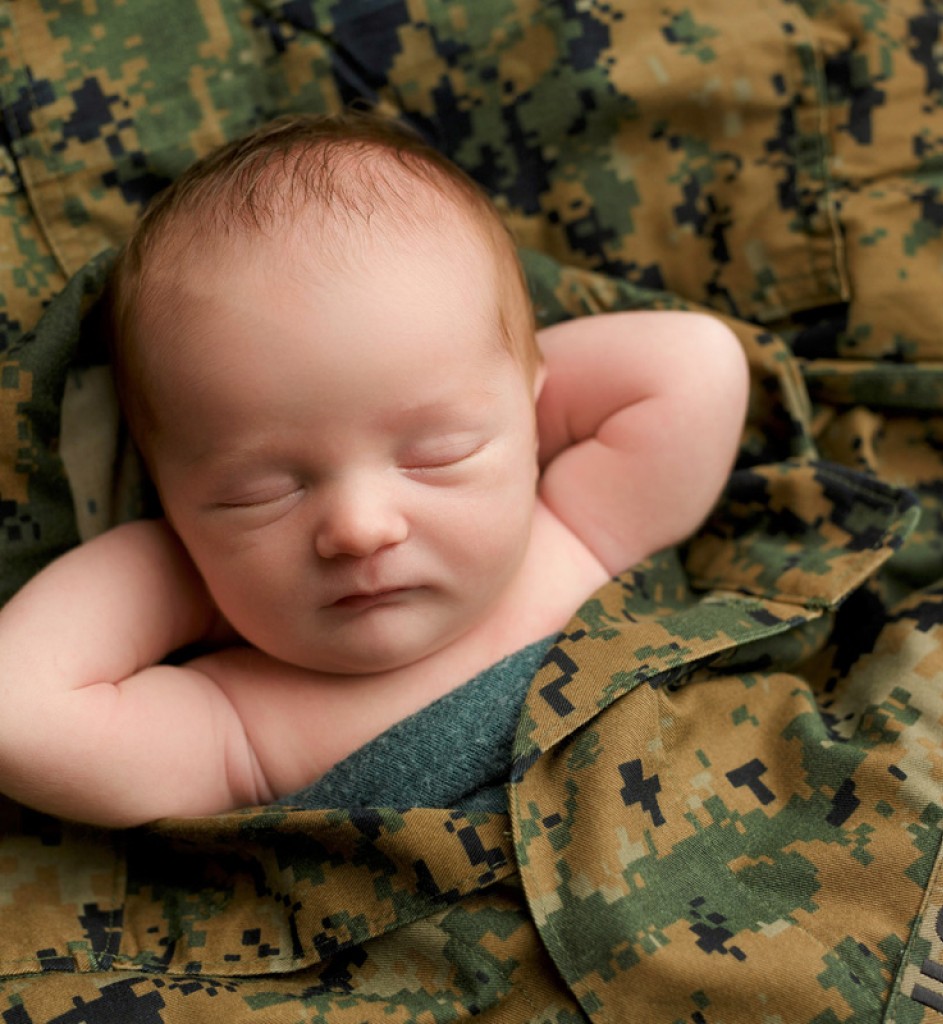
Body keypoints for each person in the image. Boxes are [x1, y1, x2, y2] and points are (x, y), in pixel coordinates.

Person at [0, 112, 749, 828]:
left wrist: (511, 407)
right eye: (259, 492)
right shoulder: (241, 729)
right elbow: (21, 715)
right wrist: (185, 570)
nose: (359, 529)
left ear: (530, 415)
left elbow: (697, 362)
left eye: (438, 452)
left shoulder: (576, 538)